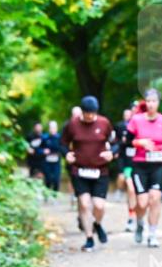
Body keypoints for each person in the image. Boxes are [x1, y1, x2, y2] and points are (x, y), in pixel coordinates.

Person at [61, 96, 114, 252]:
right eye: (86, 113)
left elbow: (116, 141)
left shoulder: (104, 123)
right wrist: (66, 154)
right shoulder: (72, 125)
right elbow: (62, 143)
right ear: (82, 112)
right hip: (79, 170)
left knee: (99, 205)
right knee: (84, 204)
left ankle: (97, 224)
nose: (89, 116)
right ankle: (89, 238)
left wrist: (112, 152)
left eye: (92, 113)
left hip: (100, 171)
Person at [127, 89, 162, 248]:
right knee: (142, 203)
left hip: (160, 165)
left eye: (154, 101)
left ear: (158, 103)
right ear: (145, 102)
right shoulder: (136, 120)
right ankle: (140, 223)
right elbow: (126, 143)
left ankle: (152, 234)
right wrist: (139, 142)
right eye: (148, 101)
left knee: (155, 198)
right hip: (140, 165)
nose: (150, 104)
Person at [114, 107, 140, 231]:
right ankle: (131, 218)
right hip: (128, 164)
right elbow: (118, 143)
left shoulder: (145, 126)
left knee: (142, 197)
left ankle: (140, 220)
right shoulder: (125, 128)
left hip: (143, 165)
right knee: (131, 190)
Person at [41, 120, 62, 192]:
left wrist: (60, 152)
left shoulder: (60, 138)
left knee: (56, 179)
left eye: (54, 127)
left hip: (56, 161)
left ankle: (55, 194)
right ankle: (47, 193)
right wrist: (43, 151)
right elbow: (38, 149)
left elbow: (63, 148)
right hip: (47, 161)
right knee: (48, 178)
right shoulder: (44, 138)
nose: (52, 129)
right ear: (49, 128)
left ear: (56, 128)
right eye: (51, 127)